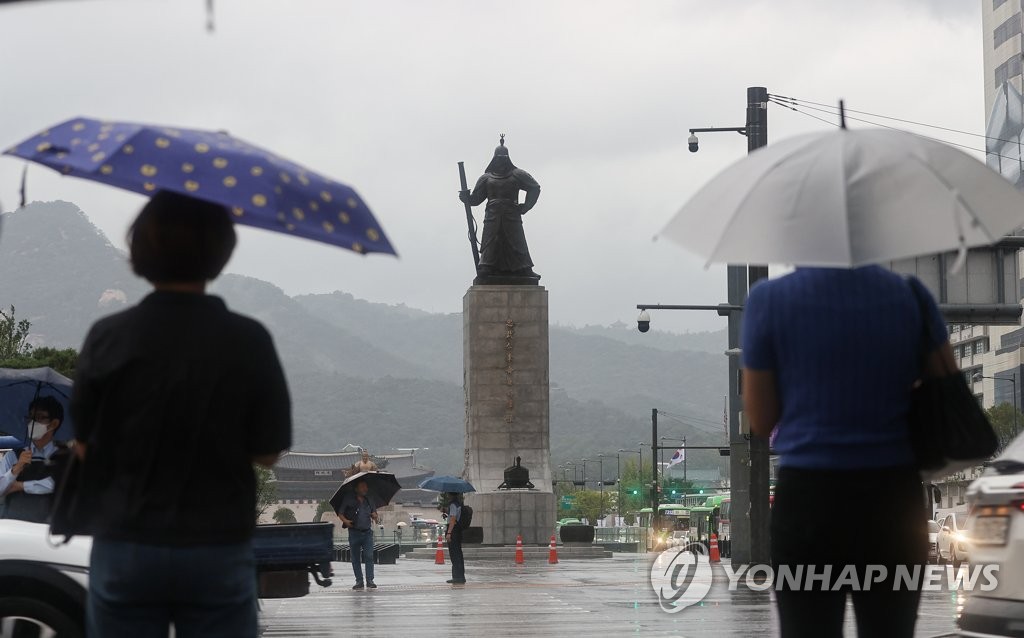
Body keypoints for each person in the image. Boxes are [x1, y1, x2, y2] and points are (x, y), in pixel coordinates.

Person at [71, 191, 292, 638]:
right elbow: (269, 452)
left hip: (126, 541)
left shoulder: (107, 336)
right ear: (221, 253)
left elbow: (82, 445)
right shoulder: (249, 340)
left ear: (139, 252)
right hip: (216, 544)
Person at [742, 266, 946, 638]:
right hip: (894, 498)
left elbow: (760, 417)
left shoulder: (768, 300)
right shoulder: (911, 296)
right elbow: (943, 384)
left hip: (808, 501)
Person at [459, 136, 542, 279]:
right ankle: (487, 266)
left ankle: (523, 268)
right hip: (492, 215)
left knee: (517, 242)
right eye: (499, 158)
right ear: (494, 159)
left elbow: (534, 188)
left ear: (508, 159)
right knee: (491, 241)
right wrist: (467, 198)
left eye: (504, 158)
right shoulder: (486, 178)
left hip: (512, 214)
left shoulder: (517, 175)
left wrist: (525, 206)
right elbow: (476, 199)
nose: (501, 162)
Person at [0, 396, 68, 522]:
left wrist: (20, 485)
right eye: (30, 417)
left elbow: (59, 485)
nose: (32, 422)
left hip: (47, 529)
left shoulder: (64, 456)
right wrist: (16, 468)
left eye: (39, 417)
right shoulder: (13, 456)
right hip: (12, 527)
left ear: (54, 424)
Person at [337, 479, 379, 589]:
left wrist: (375, 516)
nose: (365, 489)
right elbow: (340, 513)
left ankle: (370, 580)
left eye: (366, 486)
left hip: (367, 533)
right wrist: (345, 521)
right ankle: (359, 581)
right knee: (355, 558)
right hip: (354, 532)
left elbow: (375, 514)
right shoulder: (348, 499)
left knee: (369, 556)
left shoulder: (369, 499)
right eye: (362, 487)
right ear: (356, 489)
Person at [444, 492, 465, 584]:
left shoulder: (453, 504)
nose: (447, 496)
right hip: (458, 530)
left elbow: (452, 519)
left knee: (454, 554)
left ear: (450, 495)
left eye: (448, 494)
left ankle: (457, 577)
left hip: (453, 530)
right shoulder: (458, 504)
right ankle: (460, 576)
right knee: (458, 554)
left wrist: (449, 532)